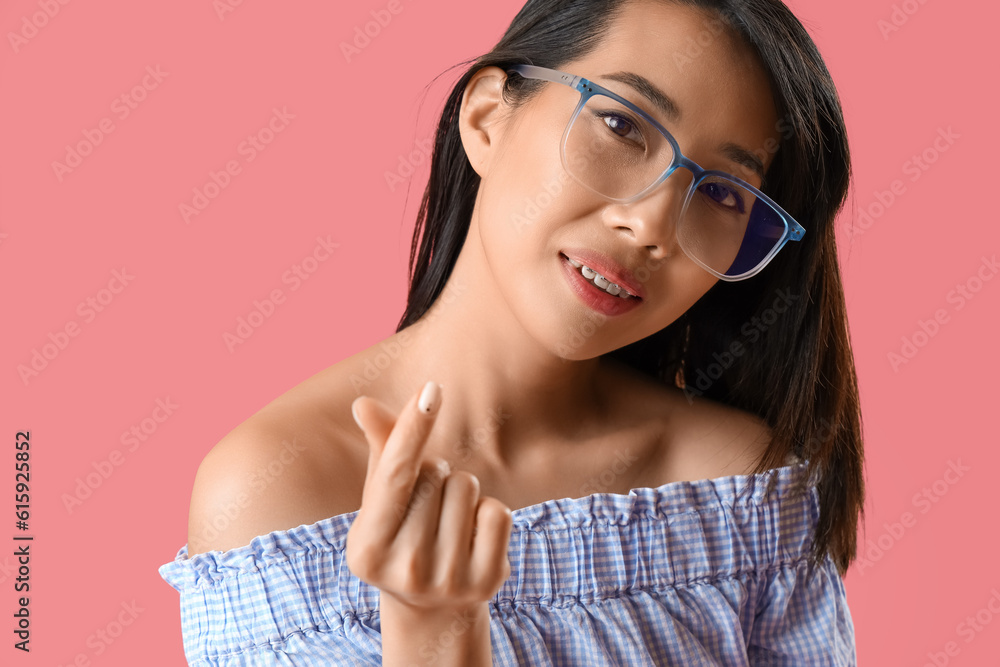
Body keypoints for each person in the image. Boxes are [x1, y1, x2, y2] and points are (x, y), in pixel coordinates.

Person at [159, 0, 864, 664]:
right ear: (489, 117)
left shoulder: (745, 491)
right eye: (622, 126)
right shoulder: (276, 492)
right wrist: (436, 634)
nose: (649, 225)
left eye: (721, 193)